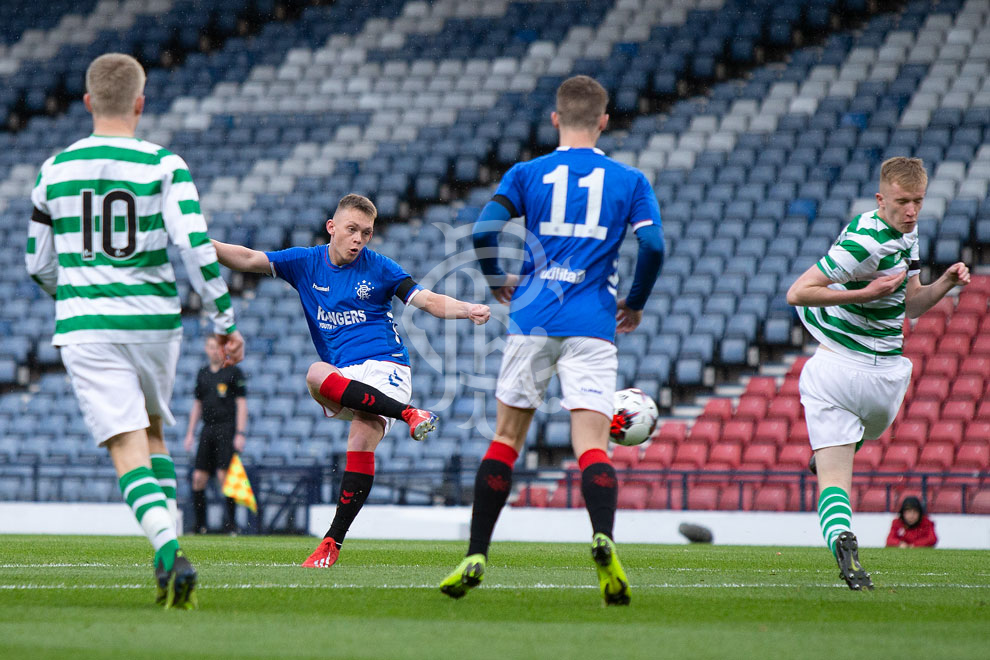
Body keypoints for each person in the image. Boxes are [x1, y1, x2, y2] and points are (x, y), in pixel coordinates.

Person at [25, 53, 245, 609]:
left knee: (126, 443)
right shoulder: (165, 165)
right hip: (154, 324)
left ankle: (169, 548)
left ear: (88, 102)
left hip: (89, 325)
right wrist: (221, 321)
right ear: (140, 105)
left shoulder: (53, 170)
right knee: (152, 433)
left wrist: (71, 293)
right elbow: (195, 247)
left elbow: (38, 264)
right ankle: (164, 554)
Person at [440, 75, 664, 606]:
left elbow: (481, 232)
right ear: (604, 120)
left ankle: (476, 552)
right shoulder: (629, 180)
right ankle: (603, 537)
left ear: (556, 120)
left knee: (506, 439)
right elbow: (652, 245)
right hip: (592, 323)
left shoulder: (527, 173)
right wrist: (634, 301)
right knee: (591, 445)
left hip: (532, 317)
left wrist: (498, 282)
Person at [212, 193, 490, 568]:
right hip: (345, 375)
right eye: (352, 230)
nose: (359, 239)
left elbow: (425, 299)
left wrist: (466, 309)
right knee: (315, 374)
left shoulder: (380, 268)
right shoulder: (305, 262)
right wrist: (200, 245)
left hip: (386, 368)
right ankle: (409, 414)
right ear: (332, 227)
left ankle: (330, 543)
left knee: (360, 438)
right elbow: (247, 258)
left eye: (366, 232)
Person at [787, 156, 969, 590]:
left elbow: (907, 306)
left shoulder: (890, 235)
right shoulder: (873, 239)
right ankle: (846, 538)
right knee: (843, 457)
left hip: (844, 372)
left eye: (918, 202)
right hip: (885, 382)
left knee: (834, 479)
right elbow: (802, 293)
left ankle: (838, 532)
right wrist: (868, 292)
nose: (911, 211)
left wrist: (944, 283)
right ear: (881, 199)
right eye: (903, 202)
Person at [183, 335, 249, 534]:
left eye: (216, 347)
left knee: (224, 476)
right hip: (207, 429)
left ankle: (231, 525)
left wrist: (240, 433)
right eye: (210, 347)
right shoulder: (202, 374)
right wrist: (190, 433)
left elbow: (242, 404)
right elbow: (197, 405)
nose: (213, 351)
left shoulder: (233, 372)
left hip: (226, 428)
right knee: (198, 477)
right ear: (206, 349)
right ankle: (200, 525)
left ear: (223, 350)